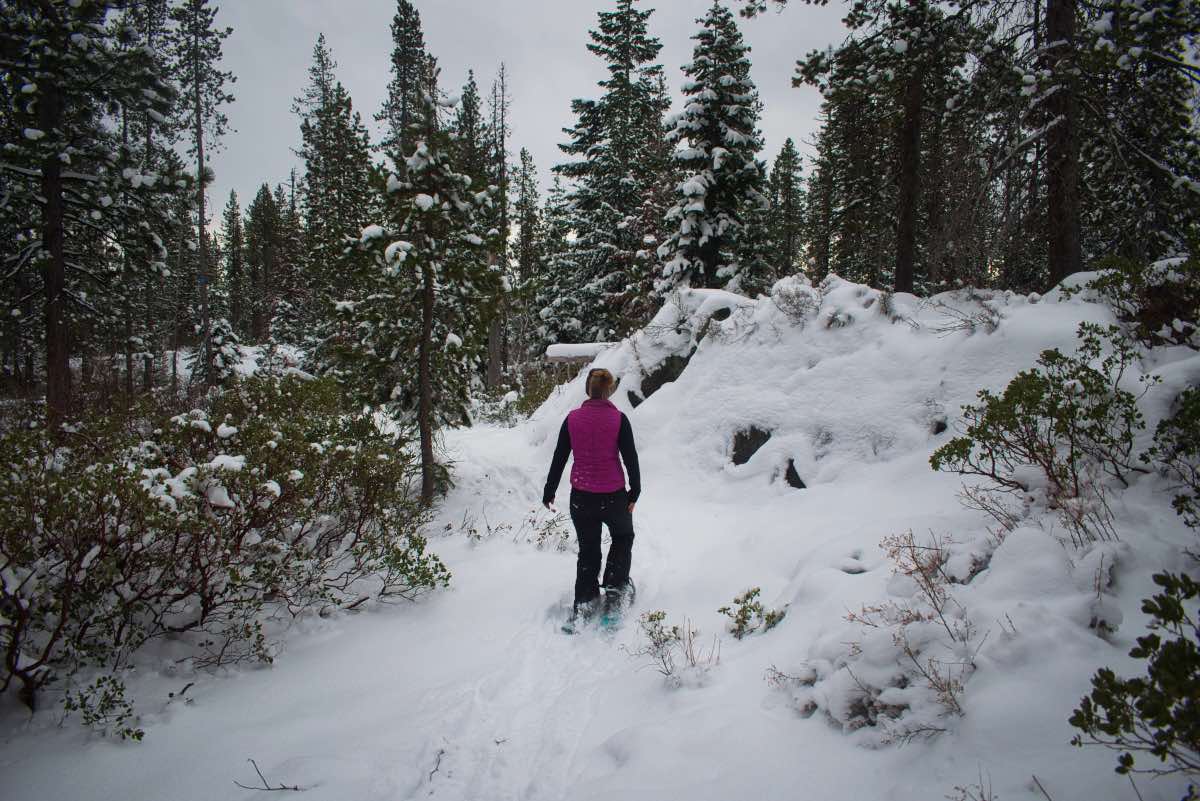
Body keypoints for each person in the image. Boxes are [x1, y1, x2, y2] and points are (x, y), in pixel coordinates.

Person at [543, 367, 640, 627]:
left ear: (588, 389)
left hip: (581, 498)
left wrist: (549, 490)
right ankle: (615, 592)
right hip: (613, 496)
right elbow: (630, 458)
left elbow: (559, 457)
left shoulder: (572, 419)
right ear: (608, 391)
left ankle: (585, 603)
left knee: (588, 550)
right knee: (622, 537)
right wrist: (635, 491)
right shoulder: (619, 419)